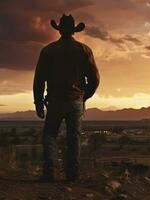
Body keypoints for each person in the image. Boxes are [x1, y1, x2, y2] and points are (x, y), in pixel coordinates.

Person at [33, 14, 100, 182]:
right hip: (75, 100)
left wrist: (39, 103)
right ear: (74, 31)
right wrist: (85, 96)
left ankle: (49, 172)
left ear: (60, 30)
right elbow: (95, 79)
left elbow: (39, 79)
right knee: (74, 137)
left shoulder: (48, 50)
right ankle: (73, 174)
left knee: (50, 134)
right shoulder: (84, 50)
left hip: (55, 100)